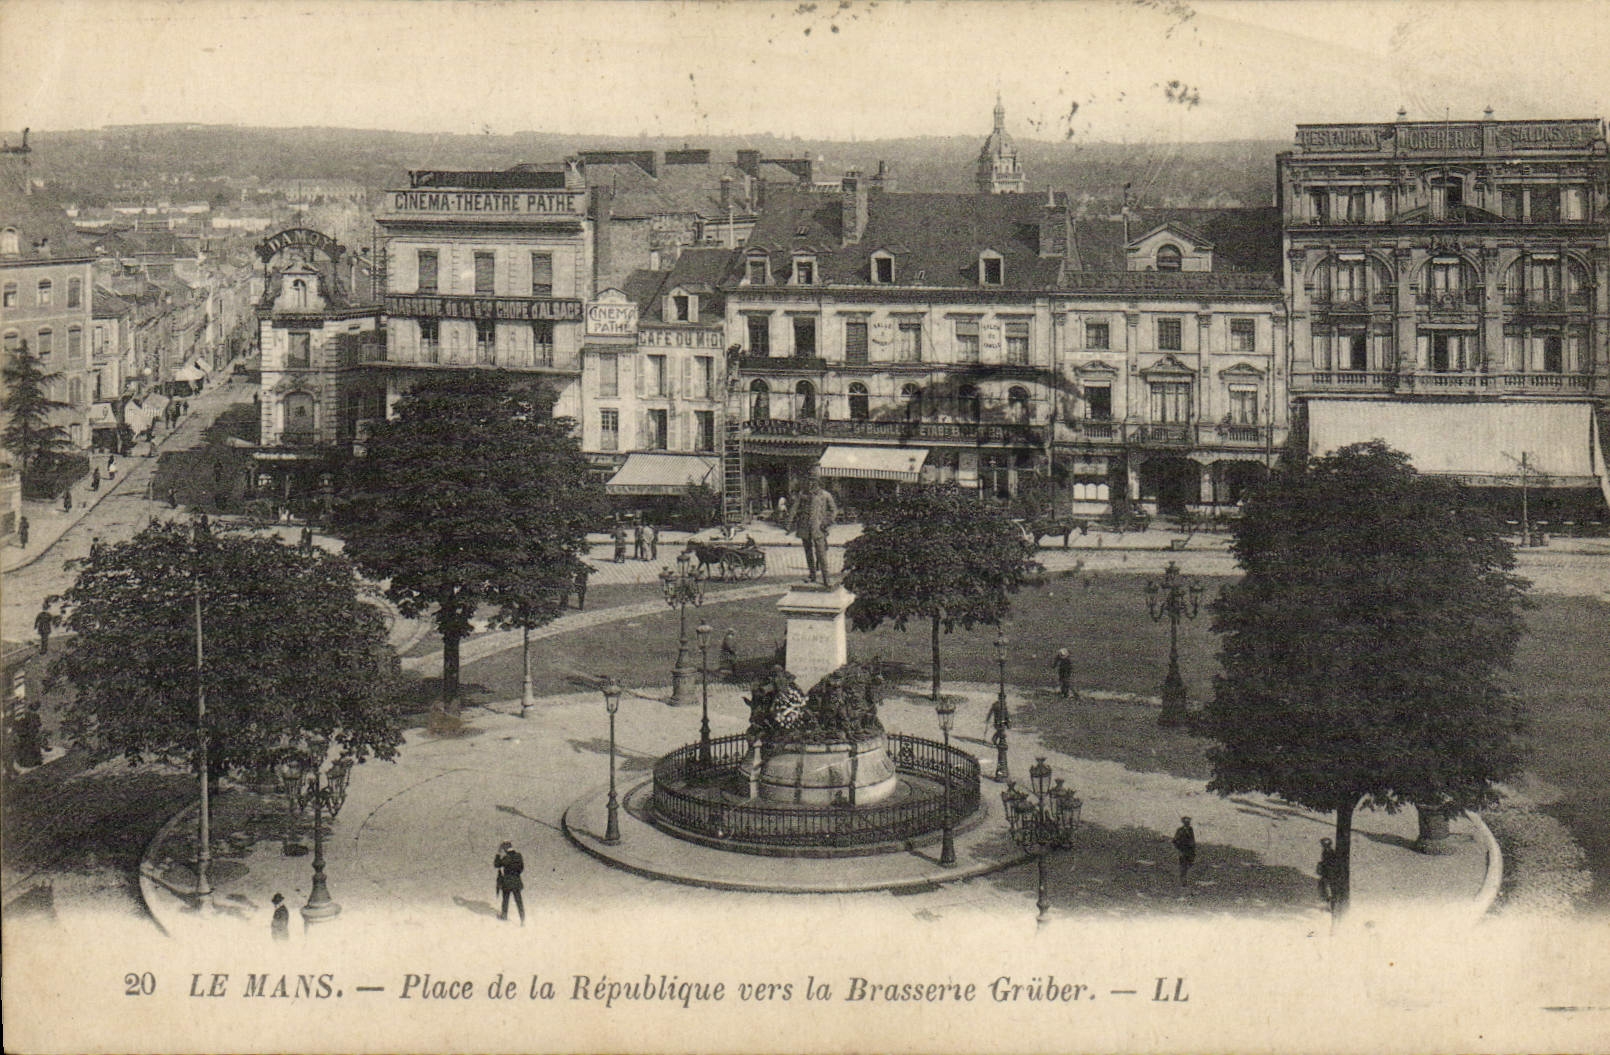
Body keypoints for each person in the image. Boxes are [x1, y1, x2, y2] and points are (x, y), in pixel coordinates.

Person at [789, 476, 838, 586]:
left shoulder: (825, 495)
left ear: (818, 483)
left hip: (819, 528)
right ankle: (812, 575)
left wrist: (826, 522)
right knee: (808, 552)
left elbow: (834, 510)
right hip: (804, 527)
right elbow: (795, 508)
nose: (810, 484)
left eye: (813, 482)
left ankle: (826, 578)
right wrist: (789, 523)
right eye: (809, 481)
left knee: (821, 553)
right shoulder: (802, 495)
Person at [494, 840, 525, 924]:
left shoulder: (506, 857)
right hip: (516, 880)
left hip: (507, 881)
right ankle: (522, 918)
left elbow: (496, 864)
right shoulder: (519, 856)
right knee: (519, 900)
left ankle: (504, 915)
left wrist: (498, 853)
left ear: (505, 849)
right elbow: (521, 868)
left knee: (505, 899)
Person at [1317, 838, 1341, 911]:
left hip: (1330, 874)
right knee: (1323, 887)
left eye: (1325, 846)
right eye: (1324, 846)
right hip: (1327, 874)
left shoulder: (1330, 852)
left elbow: (1331, 863)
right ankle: (1327, 904)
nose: (1324, 847)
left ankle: (1331, 905)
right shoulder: (1325, 852)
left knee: (1329, 889)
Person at [1172, 816, 1196, 887]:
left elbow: (1192, 840)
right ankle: (1183, 881)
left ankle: (1185, 879)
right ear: (1183, 822)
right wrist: (1179, 847)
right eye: (1186, 822)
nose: (1188, 823)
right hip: (1182, 850)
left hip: (1189, 851)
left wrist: (1193, 849)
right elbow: (1174, 840)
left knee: (1189, 864)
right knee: (1183, 865)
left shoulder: (1191, 829)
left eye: (1188, 822)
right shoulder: (1180, 830)